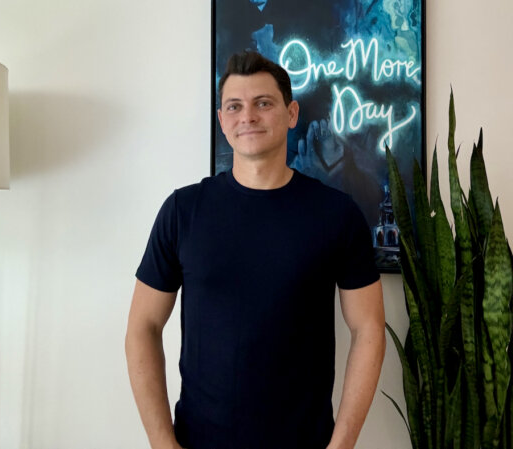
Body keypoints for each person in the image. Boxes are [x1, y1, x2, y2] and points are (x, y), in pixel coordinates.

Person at [125, 51, 385, 449]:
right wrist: (162, 443)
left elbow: (368, 329)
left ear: (291, 113)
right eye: (234, 106)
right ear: (222, 120)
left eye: (263, 103)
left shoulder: (337, 214)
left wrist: (342, 444)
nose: (247, 116)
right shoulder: (182, 211)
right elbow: (142, 327)